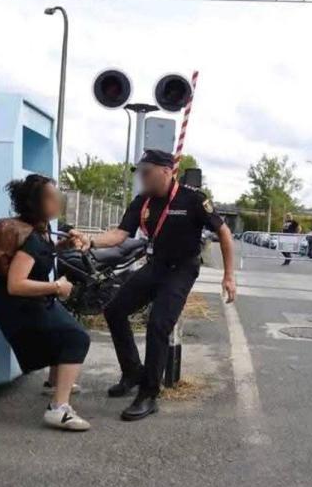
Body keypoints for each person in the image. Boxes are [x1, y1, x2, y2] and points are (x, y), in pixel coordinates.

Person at [73, 149, 237, 421]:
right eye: (139, 172)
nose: (142, 177)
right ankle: (132, 372)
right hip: (156, 266)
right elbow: (119, 235)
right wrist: (90, 241)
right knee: (114, 311)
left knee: (158, 324)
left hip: (182, 270)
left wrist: (228, 275)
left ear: (165, 171)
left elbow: (224, 232)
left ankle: (149, 394)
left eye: (146, 172)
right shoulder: (143, 201)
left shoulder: (193, 199)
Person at [0, 174, 91, 431]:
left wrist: (62, 246)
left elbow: (40, 256)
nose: (57, 200)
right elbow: (16, 283)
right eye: (50, 196)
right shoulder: (32, 237)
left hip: (28, 301)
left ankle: (54, 383)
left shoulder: (38, 229)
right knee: (77, 337)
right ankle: (59, 409)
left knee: (65, 326)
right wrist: (56, 287)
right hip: (18, 305)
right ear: (35, 203)